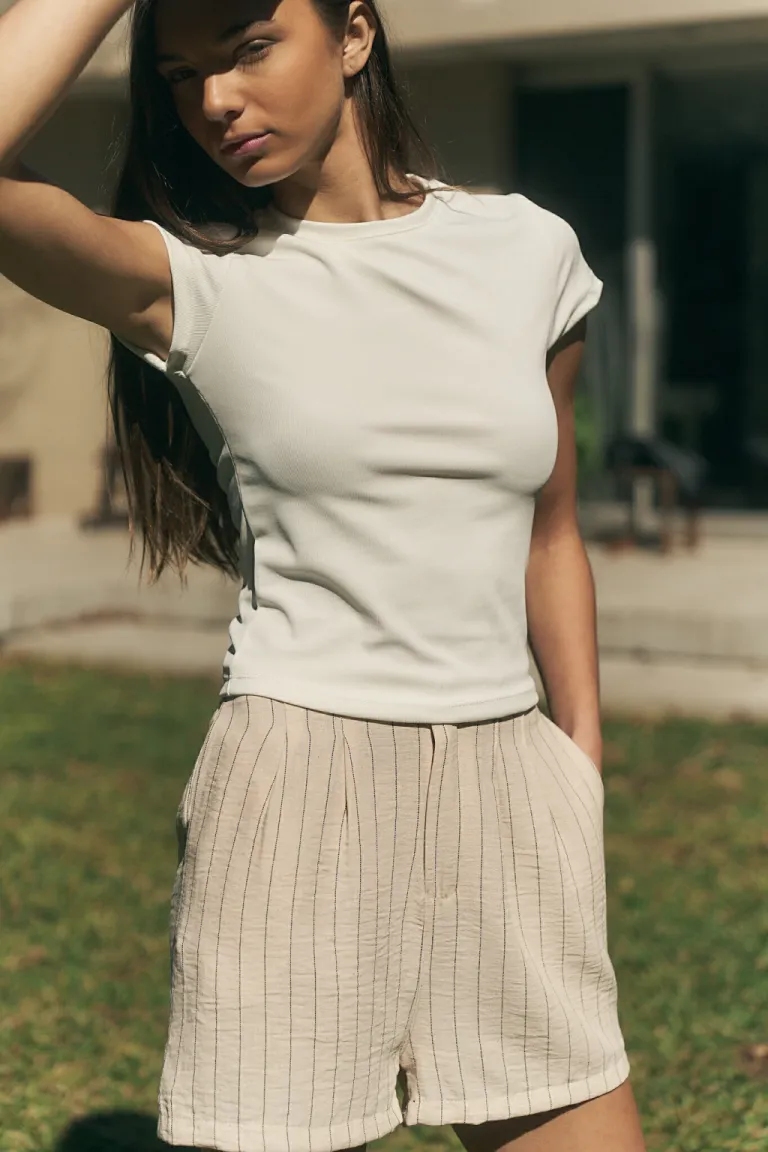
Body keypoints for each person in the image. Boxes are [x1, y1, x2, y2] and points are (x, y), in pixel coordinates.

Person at [0, 1, 648, 1150]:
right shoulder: (199, 281)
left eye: (249, 48)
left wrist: (576, 759)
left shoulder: (527, 251)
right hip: (300, 792)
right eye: (182, 74)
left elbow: (551, 532)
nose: (216, 100)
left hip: (511, 787)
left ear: (354, 35)